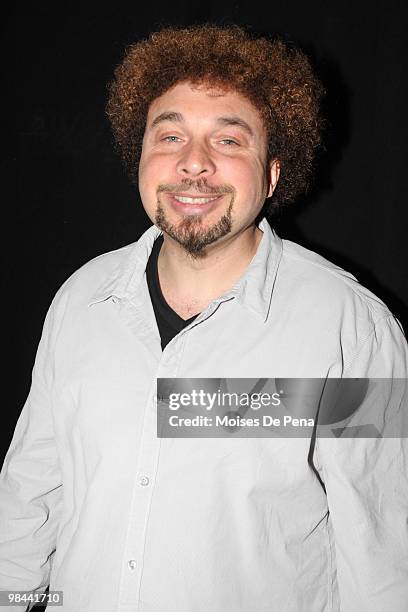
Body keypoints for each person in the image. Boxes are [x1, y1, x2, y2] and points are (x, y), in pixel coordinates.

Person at [1, 24, 407, 612]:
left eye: (228, 141)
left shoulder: (351, 330)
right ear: (140, 156)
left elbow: (381, 558)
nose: (193, 164)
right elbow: (30, 496)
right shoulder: (80, 301)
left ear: (271, 175)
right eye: (170, 136)